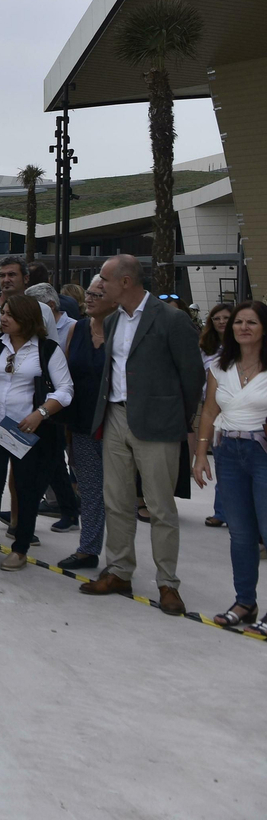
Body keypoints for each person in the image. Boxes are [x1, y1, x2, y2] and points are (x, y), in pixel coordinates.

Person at [79, 254, 204, 614]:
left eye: (104, 279)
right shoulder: (114, 319)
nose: (99, 285)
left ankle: (168, 583)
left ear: (126, 282)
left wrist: (174, 417)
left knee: (160, 507)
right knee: (117, 501)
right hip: (115, 417)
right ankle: (119, 571)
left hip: (158, 424)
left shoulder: (172, 319)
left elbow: (192, 376)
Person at [0, 295, 74, 572]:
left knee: (26, 489)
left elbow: (65, 390)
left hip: (28, 431)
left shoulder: (47, 349)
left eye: (10, 315)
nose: (3, 318)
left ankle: (20, 547)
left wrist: (40, 413)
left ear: (27, 319)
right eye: (3, 313)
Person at [193, 301, 267, 629]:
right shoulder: (220, 366)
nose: (243, 328)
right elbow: (209, 411)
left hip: (262, 452)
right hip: (227, 452)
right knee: (240, 533)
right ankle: (245, 602)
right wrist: (200, 454)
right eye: (239, 322)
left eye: (251, 322)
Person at [57, 276, 112, 571]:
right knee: (90, 490)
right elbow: (66, 378)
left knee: (120, 496)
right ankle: (88, 549)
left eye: (98, 294)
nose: (89, 298)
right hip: (82, 423)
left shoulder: (124, 331)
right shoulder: (76, 329)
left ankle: (119, 560)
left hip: (117, 424)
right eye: (88, 292)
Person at [25, 283, 81, 531]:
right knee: (53, 462)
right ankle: (68, 509)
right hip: (34, 406)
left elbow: (67, 376)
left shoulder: (72, 329)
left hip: (54, 406)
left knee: (49, 461)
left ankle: (25, 510)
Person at [201, 301, 234, 528]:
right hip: (212, 409)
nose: (221, 322)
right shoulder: (205, 348)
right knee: (222, 465)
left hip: (238, 410)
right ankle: (221, 512)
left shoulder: (245, 347)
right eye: (216, 318)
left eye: (226, 318)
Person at [0, 256, 60, 343]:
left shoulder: (43, 309)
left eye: (11, 275)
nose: (6, 280)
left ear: (26, 278)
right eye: (2, 275)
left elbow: (52, 345)